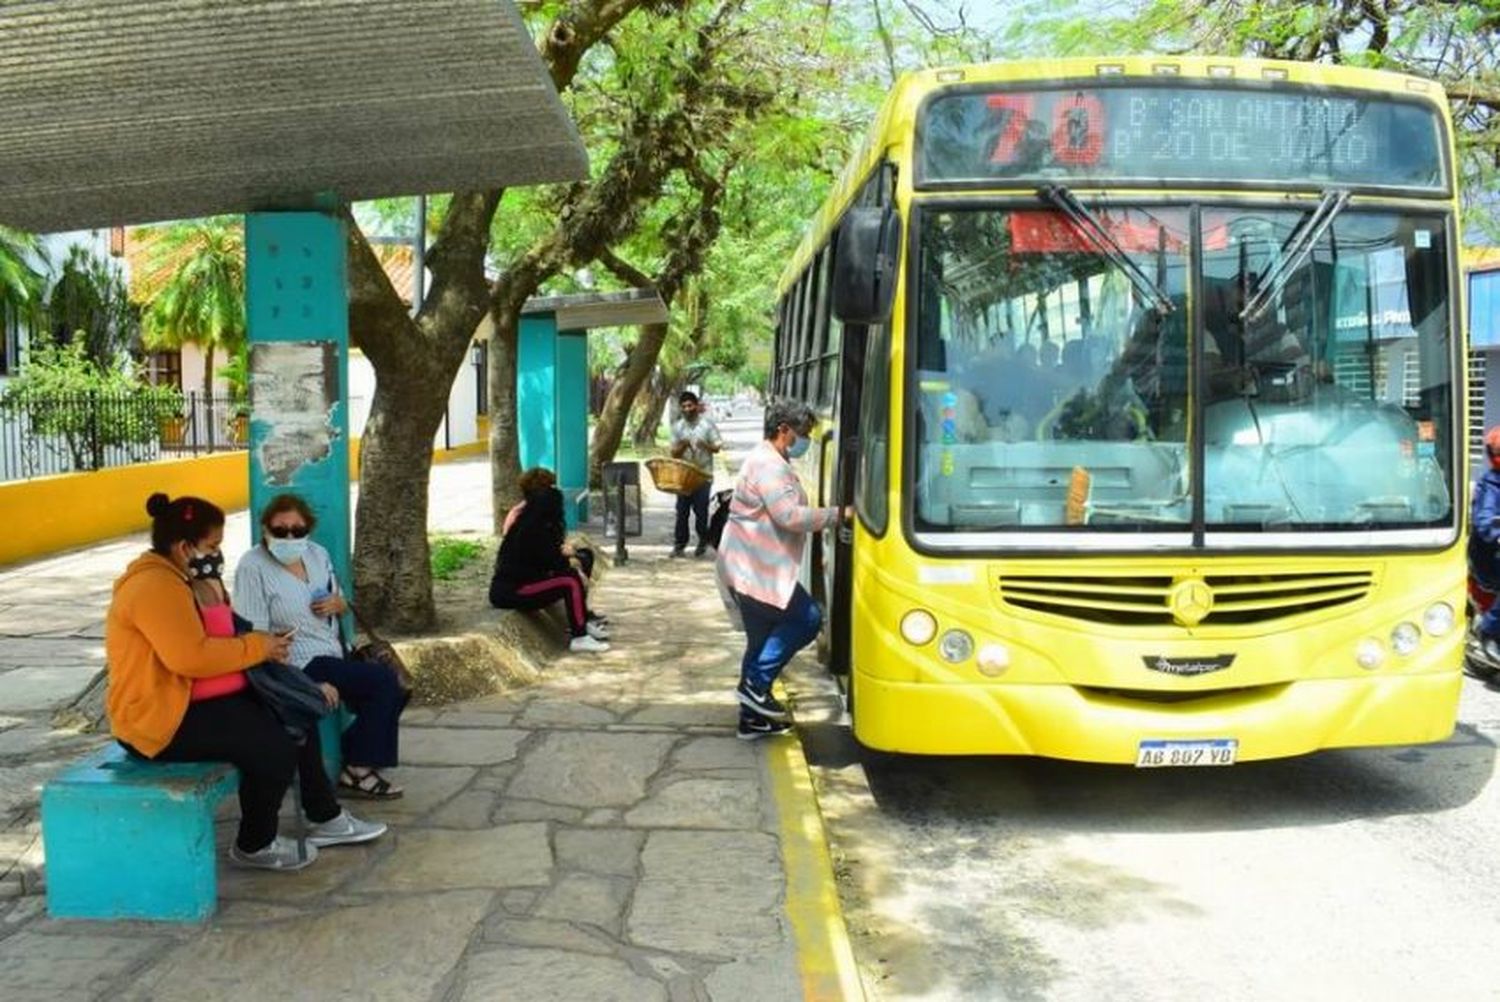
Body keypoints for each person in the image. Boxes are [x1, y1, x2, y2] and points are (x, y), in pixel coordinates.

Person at [106, 493, 385, 872]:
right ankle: (255, 843)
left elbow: (223, 635)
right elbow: (192, 657)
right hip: (160, 719)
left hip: (198, 699)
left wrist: (214, 594)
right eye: (212, 546)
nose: (217, 554)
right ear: (185, 547)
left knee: (295, 714)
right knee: (272, 748)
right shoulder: (156, 587)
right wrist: (258, 646)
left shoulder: (183, 577)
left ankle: (325, 816)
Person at [234, 493, 409, 800]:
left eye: (297, 530)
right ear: (266, 530)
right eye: (280, 530)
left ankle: (359, 756)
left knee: (395, 682)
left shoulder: (316, 554)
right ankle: (357, 769)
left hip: (331, 648)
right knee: (382, 682)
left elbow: (338, 597)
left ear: (308, 530)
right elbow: (254, 634)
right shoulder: (253, 566)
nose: (289, 536)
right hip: (297, 660)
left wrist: (338, 604)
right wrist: (302, 682)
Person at [717, 399, 846, 740]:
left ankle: (752, 719)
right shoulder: (769, 466)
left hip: (754, 565)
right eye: (802, 433)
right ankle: (755, 685)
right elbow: (788, 515)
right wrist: (839, 515)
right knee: (807, 619)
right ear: (783, 430)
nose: (805, 440)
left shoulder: (774, 460)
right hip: (754, 568)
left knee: (760, 642)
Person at [490, 481, 612, 653]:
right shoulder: (530, 531)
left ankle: (582, 623)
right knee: (569, 580)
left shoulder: (540, 526)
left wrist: (573, 555)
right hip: (512, 591)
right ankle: (579, 636)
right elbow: (553, 563)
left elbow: (553, 560)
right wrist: (569, 557)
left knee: (582, 559)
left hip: (528, 581)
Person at [670, 390, 723, 557]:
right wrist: (684, 444)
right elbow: (673, 453)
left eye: (690, 405)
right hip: (684, 478)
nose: (687, 409)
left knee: (701, 512)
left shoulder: (707, 425)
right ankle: (679, 545)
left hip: (703, 476)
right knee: (682, 511)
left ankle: (702, 541)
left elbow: (717, 447)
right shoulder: (678, 427)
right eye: (684, 406)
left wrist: (704, 445)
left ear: (696, 405)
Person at [1471, 427, 1500, 661]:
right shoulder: (1489, 485)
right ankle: (1488, 631)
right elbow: (1484, 521)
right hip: (1489, 556)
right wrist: (1496, 531)